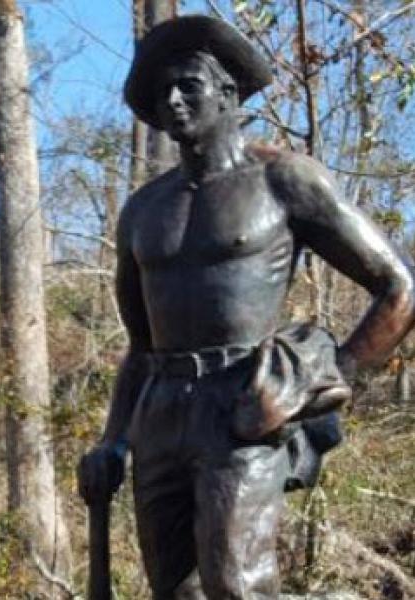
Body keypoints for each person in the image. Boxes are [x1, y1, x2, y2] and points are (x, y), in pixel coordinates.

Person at [77, 15, 415, 599]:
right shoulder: (143, 211)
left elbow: (398, 289)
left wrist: (319, 389)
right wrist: (114, 440)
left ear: (228, 92)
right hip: (160, 411)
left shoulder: (284, 181)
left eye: (188, 85)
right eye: (161, 93)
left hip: (241, 406)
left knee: (237, 585)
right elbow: (141, 345)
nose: (173, 101)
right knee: (173, 591)